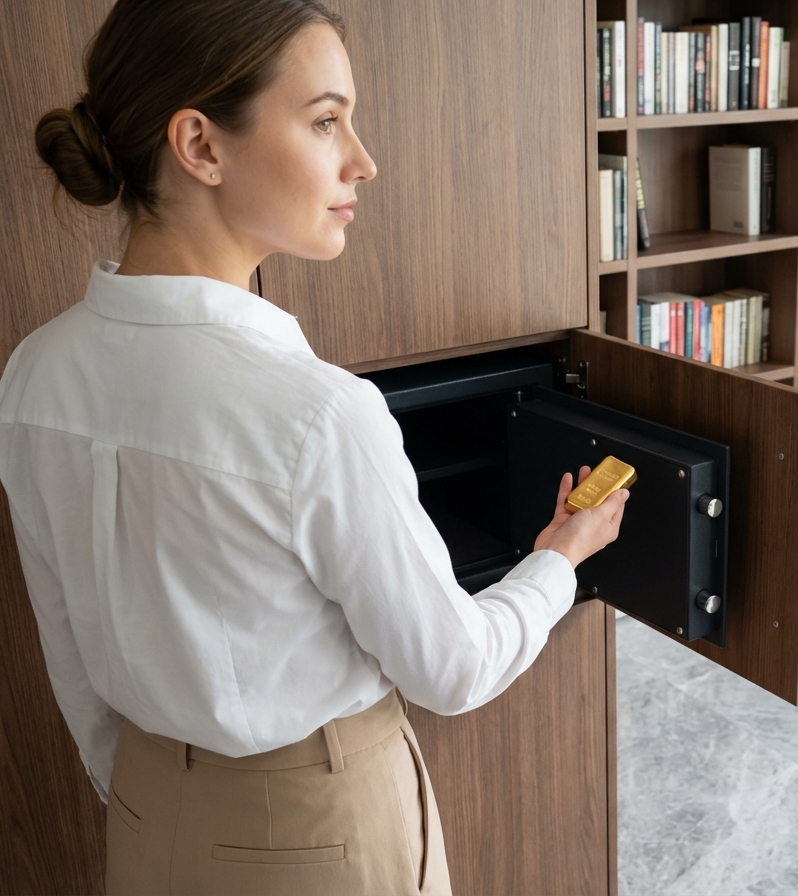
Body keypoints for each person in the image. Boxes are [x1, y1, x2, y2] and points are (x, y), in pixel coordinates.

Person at [0, 1, 628, 893]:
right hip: (319, 829)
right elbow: (454, 668)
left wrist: (155, 797)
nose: (362, 161)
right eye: (327, 120)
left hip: (144, 817)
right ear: (201, 146)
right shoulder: (316, 414)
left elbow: (71, 662)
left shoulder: (32, 378)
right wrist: (560, 557)